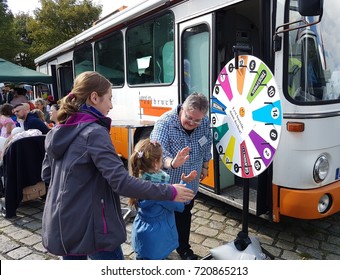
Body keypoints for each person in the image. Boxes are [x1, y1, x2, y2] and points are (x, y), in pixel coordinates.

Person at [41, 71, 194, 260]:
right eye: (109, 99)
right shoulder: (94, 132)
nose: (111, 106)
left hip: (62, 222)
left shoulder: (57, 130)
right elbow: (121, 182)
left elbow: (47, 174)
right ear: (94, 97)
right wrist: (170, 192)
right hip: (93, 223)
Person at [150, 92, 212, 260]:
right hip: (168, 184)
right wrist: (172, 163)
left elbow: (207, 144)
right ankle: (160, 250)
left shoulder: (204, 122)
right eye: (189, 117)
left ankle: (183, 248)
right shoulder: (165, 123)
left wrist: (206, 165)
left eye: (197, 120)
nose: (192, 123)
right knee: (164, 218)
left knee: (185, 214)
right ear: (182, 108)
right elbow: (157, 154)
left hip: (190, 184)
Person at [129, 138, 197, 260]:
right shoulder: (162, 191)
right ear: (156, 163)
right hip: (157, 238)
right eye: (161, 159)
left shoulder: (139, 181)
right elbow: (180, 205)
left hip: (142, 233)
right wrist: (185, 182)